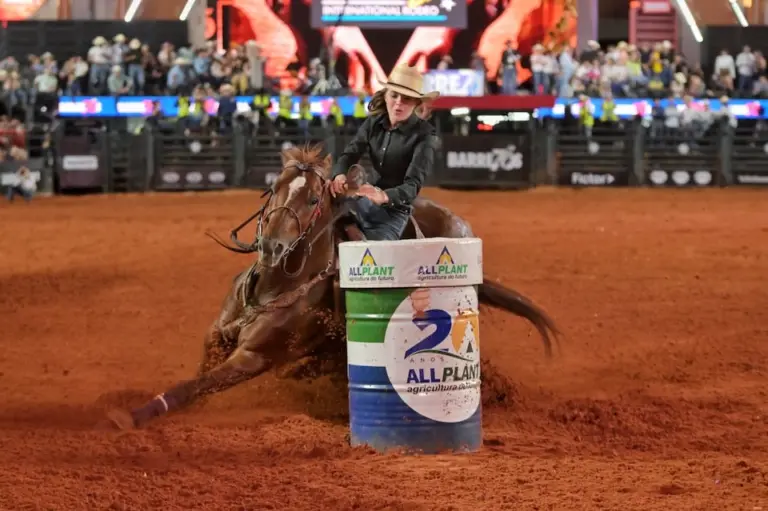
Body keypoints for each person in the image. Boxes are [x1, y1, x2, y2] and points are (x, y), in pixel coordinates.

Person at [329, 63, 440, 241]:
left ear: (416, 103)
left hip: (395, 212)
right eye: (394, 95)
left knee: (376, 260)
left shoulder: (425, 135)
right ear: (385, 96)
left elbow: (413, 185)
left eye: (406, 98)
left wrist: (384, 195)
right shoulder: (373, 123)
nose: (398, 103)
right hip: (364, 201)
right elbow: (350, 154)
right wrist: (339, 174)